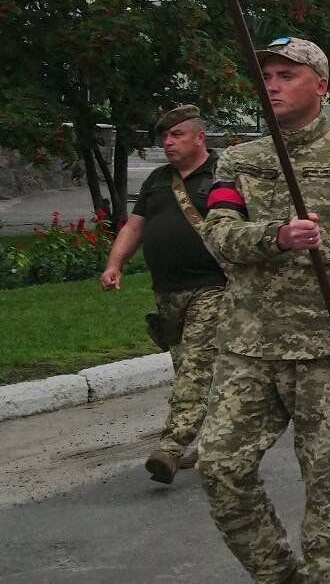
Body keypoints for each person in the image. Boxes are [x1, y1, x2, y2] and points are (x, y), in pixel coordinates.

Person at [197, 37, 330, 583]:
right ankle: (276, 574)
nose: (272, 84)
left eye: (287, 75)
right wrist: (276, 236)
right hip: (249, 343)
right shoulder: (239, 160)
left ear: (320, 85)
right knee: (220, 466)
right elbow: (216, 234)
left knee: (323, 478)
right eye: (267, 74)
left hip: (325, 349)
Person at [100, 105, 225, 485]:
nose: (168, 143)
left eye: (177, 136)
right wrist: (114, 265)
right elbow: (134, 227)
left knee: (196, 366)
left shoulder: (224, 175)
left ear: (199, 137)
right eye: (165, 137)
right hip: (167, 292)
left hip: (213, 286)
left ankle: (170, 448)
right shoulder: (158, 180)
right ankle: (216, 442)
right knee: (187, 365)